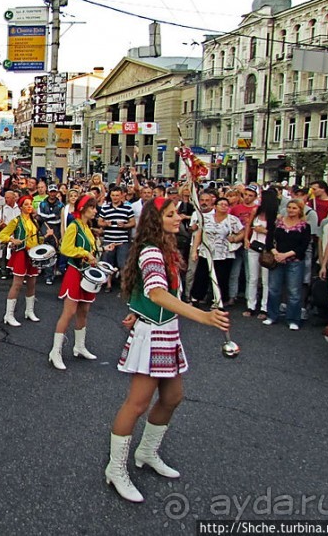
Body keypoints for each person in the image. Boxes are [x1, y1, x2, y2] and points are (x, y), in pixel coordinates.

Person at [106, 197, 230, 503]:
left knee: (173, 397)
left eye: (178, 213)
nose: (178, 218)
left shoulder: (165, 247)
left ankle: (146, 452)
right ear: (155, 220)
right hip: (153, 334)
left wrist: (136, 309)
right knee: (136, 404)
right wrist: (203, 316)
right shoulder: (151, 251)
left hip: (166, 331)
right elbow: (157, 293)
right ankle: (115, 469)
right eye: (171, 214)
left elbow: (147, 291)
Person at [49, 195, 100, 369]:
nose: (95, 211)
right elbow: (65, 248)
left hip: (86, 273)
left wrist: (99, 250)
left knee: (83, 311)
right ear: (83, 209)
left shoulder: (86, 227)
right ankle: (55, 351)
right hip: (74, 272)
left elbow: (90, 249)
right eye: (92, 207)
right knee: (69, 312)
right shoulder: (74, 226)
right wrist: (84, 253)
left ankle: (79, 346)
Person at [0, 195, 49, 326]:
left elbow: (36, 239)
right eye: (26, 204)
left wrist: (45, 237)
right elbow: (2, 235)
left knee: (32, 283)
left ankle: (29, 311)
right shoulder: (16, 221)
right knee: (17, 284)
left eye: (30, 204)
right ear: (20, 207)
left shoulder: (34, 221)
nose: (29, 206)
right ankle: (8, 315)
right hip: (21, 254)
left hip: (33, 254)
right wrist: (12, 240)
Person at [263, 199, 311, 330]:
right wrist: (276, 254)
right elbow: (269, 241)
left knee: (294, 292)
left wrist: (286, 255)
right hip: (276, 259)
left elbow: (303, 246)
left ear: (300, 210)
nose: (291, 210)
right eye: (289, 207)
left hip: (295, 262)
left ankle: (293, 319)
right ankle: (272, 316)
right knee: (273, 289)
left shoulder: (305, 226)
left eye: (294, 208)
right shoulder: (277, 223)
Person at [189, 197, 244, 307]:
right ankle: (196, 298)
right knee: (201, 276)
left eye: (226, 205)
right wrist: (194, 250)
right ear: (215, 206)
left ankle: (218, 301)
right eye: (221, 204)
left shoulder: (233, 220)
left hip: (224, 254)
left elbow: (242, 232)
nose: (224, 206)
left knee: (221, 278)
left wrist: (235, 239)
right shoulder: (205, 218)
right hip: (206, 252)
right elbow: (199, 234)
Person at [243, 188, 278, 319]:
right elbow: (248, 225)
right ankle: (251, 305)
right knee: (253, 278)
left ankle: (264, 307)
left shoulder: (276, 215)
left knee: (266, 279)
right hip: (254, 245)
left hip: (267, 248)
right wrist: (246, 239)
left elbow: (277, 233)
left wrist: (264, 231)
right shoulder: (256, 211)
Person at [97, 187, 135, 292]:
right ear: (110, 196)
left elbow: (133, 223)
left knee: (123, 263)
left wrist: (125, 225)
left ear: (122, 195)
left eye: (117, 195)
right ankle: (108, 284)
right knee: (108, 263)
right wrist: (105, 224)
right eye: (113, 195)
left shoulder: (127, 208)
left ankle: (123, 285)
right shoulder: (105, 208)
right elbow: (99, 222)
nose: (115, 197)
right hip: (109, 239)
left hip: (122, 240)